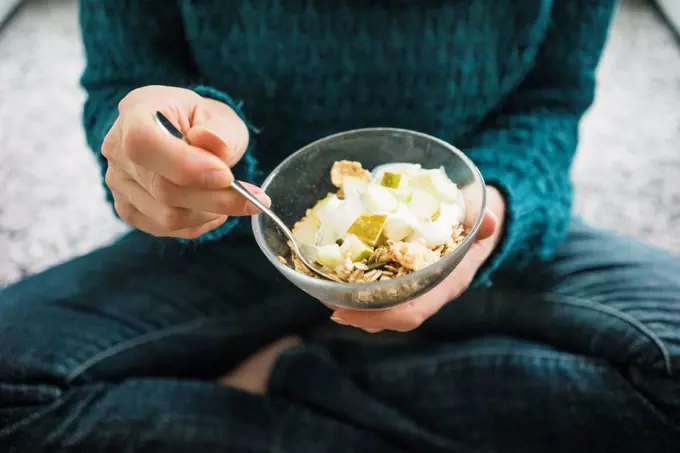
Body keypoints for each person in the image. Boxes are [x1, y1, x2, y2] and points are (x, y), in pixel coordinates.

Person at [1, 0, 679, 451]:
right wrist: (161, 143)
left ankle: (288, 378)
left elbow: (551, 101)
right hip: (236, 225)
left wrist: (495, 211)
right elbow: (127, 77)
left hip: (469, 232)